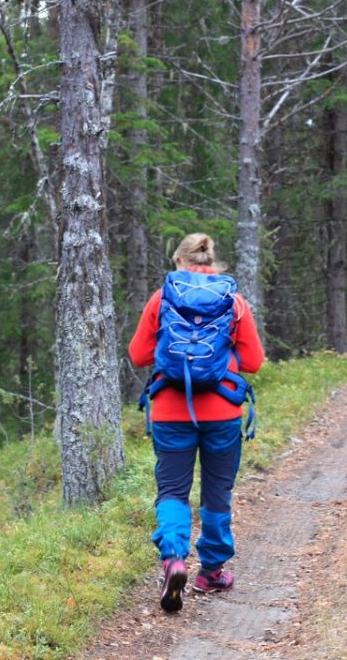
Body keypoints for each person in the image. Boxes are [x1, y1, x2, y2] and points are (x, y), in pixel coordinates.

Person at [129, 233, 265, 613]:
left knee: (173, 489)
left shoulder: (162, 298)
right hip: (222, 413)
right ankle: (212, 571)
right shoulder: (233, 302)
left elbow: (138, 355)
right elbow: (254, 362)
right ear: (211, 261)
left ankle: (174, 558)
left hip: (172, 411)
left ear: (179, 261)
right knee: (217, 491)